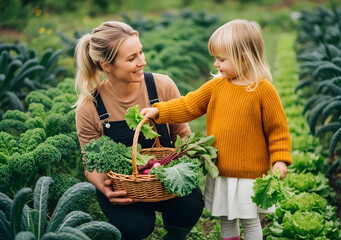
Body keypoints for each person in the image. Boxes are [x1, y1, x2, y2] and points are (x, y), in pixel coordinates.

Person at [141, 19, 292, 240]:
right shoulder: (216, 86)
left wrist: (280, 159)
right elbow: (189, 105)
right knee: (226, 219)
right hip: (221, 171)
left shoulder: (263, 91)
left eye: (221, 59)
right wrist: (159, 111)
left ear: (243, 58)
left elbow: (277, 129)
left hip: (251, 175)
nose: (216, 64)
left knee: (250, 220)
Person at [74, 21, 204, 240]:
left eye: (141, 52)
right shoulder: (90, 108)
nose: (142, 61)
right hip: (123, 187)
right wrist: (105, 188)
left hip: (164, 179)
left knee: (190, 203)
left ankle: (175, 236)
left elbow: (182, 134)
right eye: (132, 58)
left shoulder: (162, 86)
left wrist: (180, 166)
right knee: (135, 226)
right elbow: (91, 161)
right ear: (107, 65)